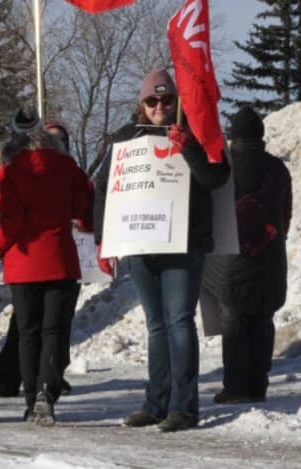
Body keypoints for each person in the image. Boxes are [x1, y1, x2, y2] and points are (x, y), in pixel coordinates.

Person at [94, 69, 230, 432]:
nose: (159, 106)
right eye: (152, 100)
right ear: (141, 104)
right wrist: (103, 240)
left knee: (180, 322)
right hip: (140, 243)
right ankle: (155, 404)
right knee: (156, 326)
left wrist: (190, 150)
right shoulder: (126, 138)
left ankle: (183, 408)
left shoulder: (194, 132)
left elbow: (217, 177)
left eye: (166, 99)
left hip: (183, 243)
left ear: (177, 101)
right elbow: (104, 188)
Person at [0, 108, 93, 426]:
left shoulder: (9, 171)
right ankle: (46, 394)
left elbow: (11, 221)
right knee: (55, 331)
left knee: (28, 332)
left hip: (23, 263)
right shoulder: (65, 166)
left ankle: (31, 396)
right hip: (60, 258)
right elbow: (83, 202)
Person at [202, 106, 291, 403]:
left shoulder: (224, 165)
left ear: (232, 135)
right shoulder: (278, 169)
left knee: (234, 320)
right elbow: (285, 213)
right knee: (263, 320)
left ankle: (236, 387)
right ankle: (258, 384)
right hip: (269, 253)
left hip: (230, 256)